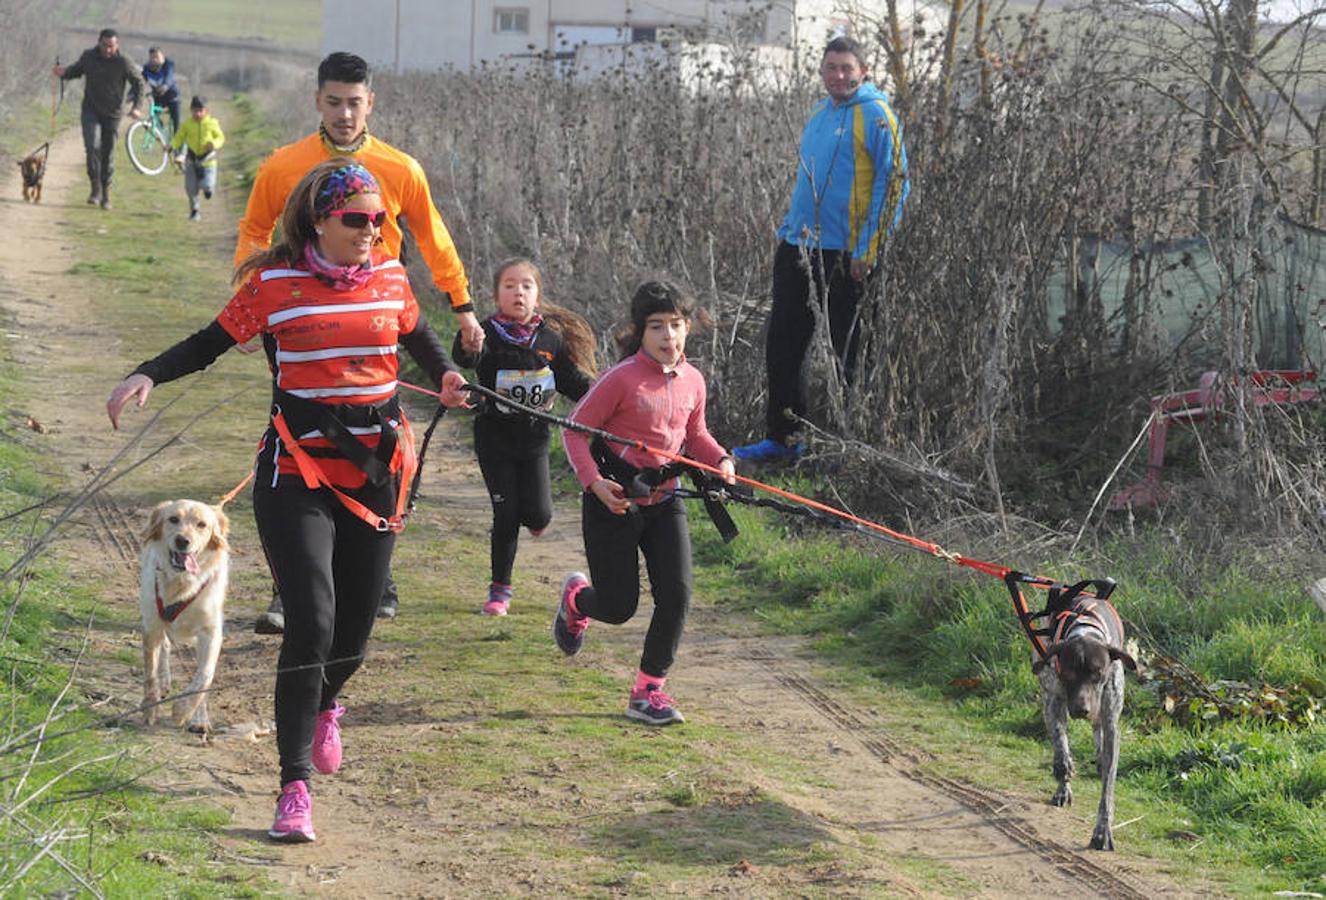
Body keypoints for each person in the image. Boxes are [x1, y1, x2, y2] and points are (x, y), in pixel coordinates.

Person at [106, 160, 470, 843]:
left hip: (376, 475)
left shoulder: (392, 276)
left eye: (380, 221)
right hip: (296, 474)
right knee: (313, 622)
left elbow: (417, 334)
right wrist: (147, 373)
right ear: (320, 221)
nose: (370, 231)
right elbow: (210, 342)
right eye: (356, 220)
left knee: (356, 631)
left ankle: (326, 704)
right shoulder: (273, 285)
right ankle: (293, 786)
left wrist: (447, 373)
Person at [237, 51, 482, 631]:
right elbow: (253, 229)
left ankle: (377, 565)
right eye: (333, 102)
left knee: (375, 432)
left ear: (370, 103)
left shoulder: (401, 169)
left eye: (354, 102)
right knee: (297, 434)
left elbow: (432, 236)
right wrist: (253, 303)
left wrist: (463, 305)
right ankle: (290, 585)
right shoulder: (285, 164)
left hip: (374, 314)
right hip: (298, 314)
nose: (344, 114)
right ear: (317, 102)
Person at [554, 281, 736, 726]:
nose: (668, 337)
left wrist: (722, 459)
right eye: (657, 327)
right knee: (618, 607)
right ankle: (578, 601)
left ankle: (648, 690)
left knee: (677, 595)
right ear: (640, 331)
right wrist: (593, 483)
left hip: (665, 500)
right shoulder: (620, 379)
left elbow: (695, 435)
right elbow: (574, 430)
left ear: (688, 328)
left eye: (676, 326)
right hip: (612, 501)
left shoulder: (693, 380)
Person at [732, 35, 909, 464]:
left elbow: (895, 183)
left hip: (848, 256)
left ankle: (857, 447)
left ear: (864, 71)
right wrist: (789, 233)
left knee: (852, 352)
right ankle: (783, 440)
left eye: (847, 68)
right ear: (822, 71)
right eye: (832, 68)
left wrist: (868, 248)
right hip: (798, 247)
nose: (839, 76)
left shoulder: (876, 115)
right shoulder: (819, 112)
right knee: (784, 346)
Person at [452, 258, 596, 616]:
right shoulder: (486, 332)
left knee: (538, 515)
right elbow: (467, 357)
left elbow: (571, 382)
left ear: (537, 295)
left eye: (526, 286)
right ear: (497, 294)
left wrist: (608, 398)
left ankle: (536, 519)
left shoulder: (549, 339)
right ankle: (500, 591)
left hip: (534, 440)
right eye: (510, 285)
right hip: (494, 438)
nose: (518, 292)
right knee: (506, 513)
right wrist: (468, 342)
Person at [54, 28, 145, 210]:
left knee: (107, 153)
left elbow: (139, 83)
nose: (107, 50)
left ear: (117, 45)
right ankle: (95, 188)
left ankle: (106, 194)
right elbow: (76, 70)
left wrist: (137, 107)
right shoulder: (89, 56)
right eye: (104, 45)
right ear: (99, 42)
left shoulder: (124, 62)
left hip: (113, 114)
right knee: (92, 146)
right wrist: (63, 72)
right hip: (91, 111)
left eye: (111, 46)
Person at [170, 96, 224, 221]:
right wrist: (171, 146)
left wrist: (214, 144)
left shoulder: (212, 123)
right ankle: (194, 211)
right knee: (190, 188)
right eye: (195, 111)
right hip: (191, 161)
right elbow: (179, 138)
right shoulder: (187, 125)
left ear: (206, 111)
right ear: (191, 110)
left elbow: (220, 138)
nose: (198, 114)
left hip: (208, 161)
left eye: (201, 110)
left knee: (207, 185)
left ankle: (208, 190)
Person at [142, 46, 181, 134]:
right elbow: (139, 83)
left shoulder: (168, 65)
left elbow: (169, 77)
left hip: (173, 97)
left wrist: (165, 86)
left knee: (177, 126)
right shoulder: (146, 69)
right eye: (152, 57)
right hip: (159, 98)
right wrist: (130, 96)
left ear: (162, 57)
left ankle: (179, 147)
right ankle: (162, 136)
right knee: (151, 121)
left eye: (157, 57)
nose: (154, 60)